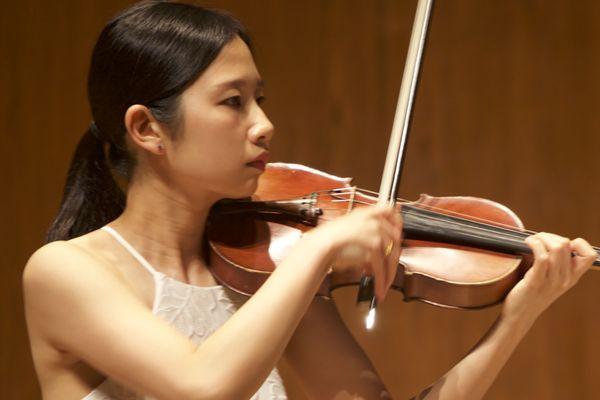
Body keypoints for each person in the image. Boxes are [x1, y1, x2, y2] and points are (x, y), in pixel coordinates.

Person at [22, 1, 597, 399]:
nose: (264, 124)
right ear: (147, 129)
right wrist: (318, 251)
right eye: (233, 102)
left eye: (260, 99)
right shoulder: (66, 272)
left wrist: (514, 323)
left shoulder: (265, 270)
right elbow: (201, 386)